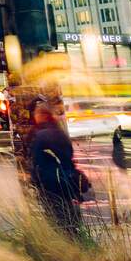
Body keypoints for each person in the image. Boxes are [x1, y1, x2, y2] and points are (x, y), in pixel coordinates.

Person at [30, 98, 84, 233]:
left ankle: (65, 240)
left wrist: (35, 181)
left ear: (43, 116)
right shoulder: (61, 133)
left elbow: (37, 162)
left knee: (56, 218)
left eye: (37, 114)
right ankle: (74, 237)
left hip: (50, 184)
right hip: (67, 182)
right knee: (67, 216)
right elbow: (69, 156)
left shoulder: (41, 135)